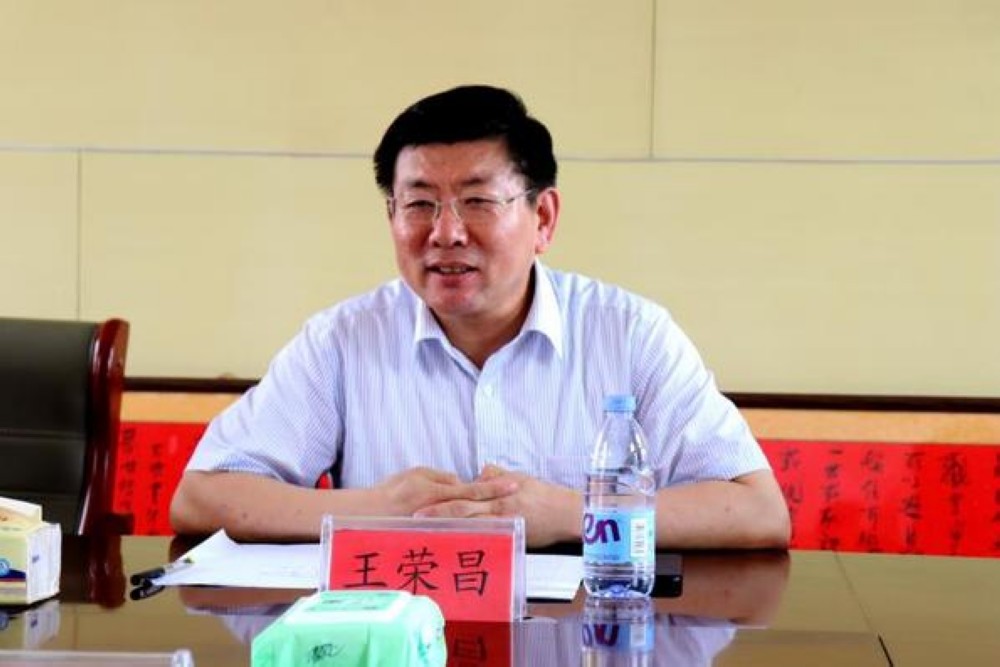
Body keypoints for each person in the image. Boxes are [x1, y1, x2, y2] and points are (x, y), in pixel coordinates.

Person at [170, 84, 790, 549]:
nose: (445, 233)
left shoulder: (629, 335)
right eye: (419, 204)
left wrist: (569, 514)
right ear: (391, 216)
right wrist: (377, 509)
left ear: (543, 218)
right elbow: (202, 496)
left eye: (477, 201)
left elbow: (757, 511)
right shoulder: (343, 339)